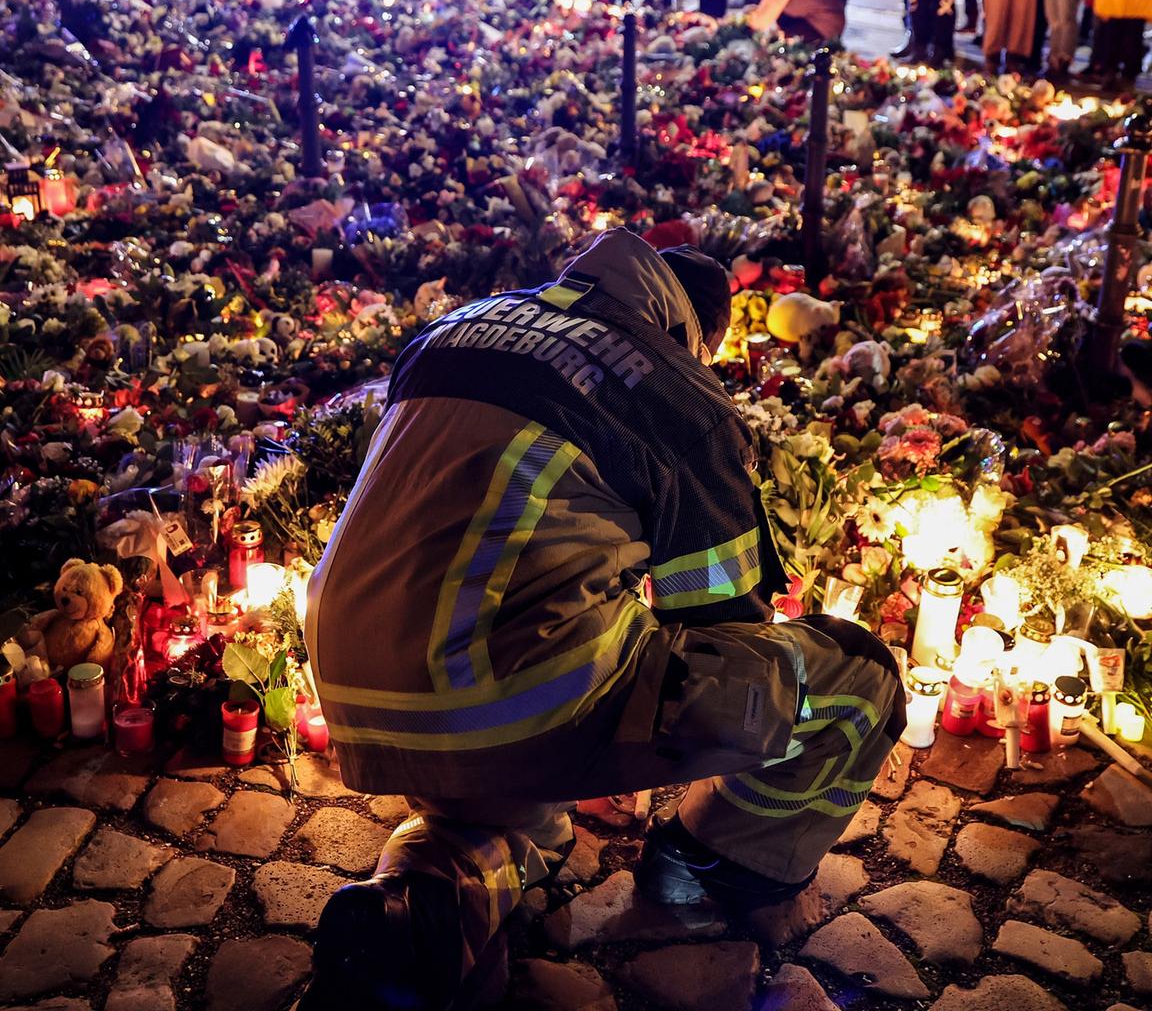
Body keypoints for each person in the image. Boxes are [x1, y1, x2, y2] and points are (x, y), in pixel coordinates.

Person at [300, 228, 905, 1011]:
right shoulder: (676, 391)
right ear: (695, 336)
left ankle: (416, 901)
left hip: (356, 686)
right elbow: (729, 634)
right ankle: (725, 860)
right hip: (508, 691)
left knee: (532, 824)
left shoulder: (455, 326)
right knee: (858, 677)